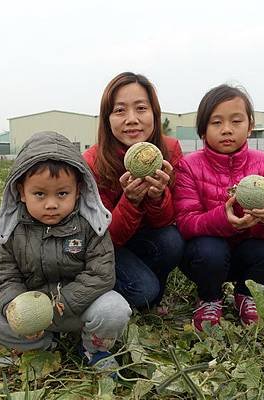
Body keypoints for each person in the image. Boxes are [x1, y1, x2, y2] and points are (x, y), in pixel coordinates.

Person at [0, 131, 131, 371]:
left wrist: (62, 304)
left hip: (77, 309)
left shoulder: (90, 225)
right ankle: (43, 345)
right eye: (39, 194)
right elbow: (2, 276)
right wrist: (14, 307)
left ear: (78, 190)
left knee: (115, 309)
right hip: (34, 315)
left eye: (62, 193)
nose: (51, 204)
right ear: (21, 191)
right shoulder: (12, 230)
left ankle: (92, 348)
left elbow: (100, 274)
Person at [173, 84, 264, 330]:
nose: (226, 130)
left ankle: (246, 294)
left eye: (236, 121)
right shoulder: (188, 166)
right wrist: (224, 220)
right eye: (216, 123)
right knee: (208, 250)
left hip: (247, 253)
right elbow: (185, 223)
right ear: (203, 130)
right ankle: (209, 297)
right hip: (208, 257)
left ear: (249, 126)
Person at [83, 72, 185, 310]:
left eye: (141, 108)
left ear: (154, 113)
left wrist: (158, 196)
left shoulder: (169, 149)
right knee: (143, 291)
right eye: (120, 111)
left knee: (172, 240)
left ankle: (154, 291)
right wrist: (130, 201)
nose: (131, 119)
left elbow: (168, 220)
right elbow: (106, 239)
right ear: (107, 118)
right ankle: (117, 290)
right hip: (107, 248)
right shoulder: (92, 162)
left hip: (144, 238)